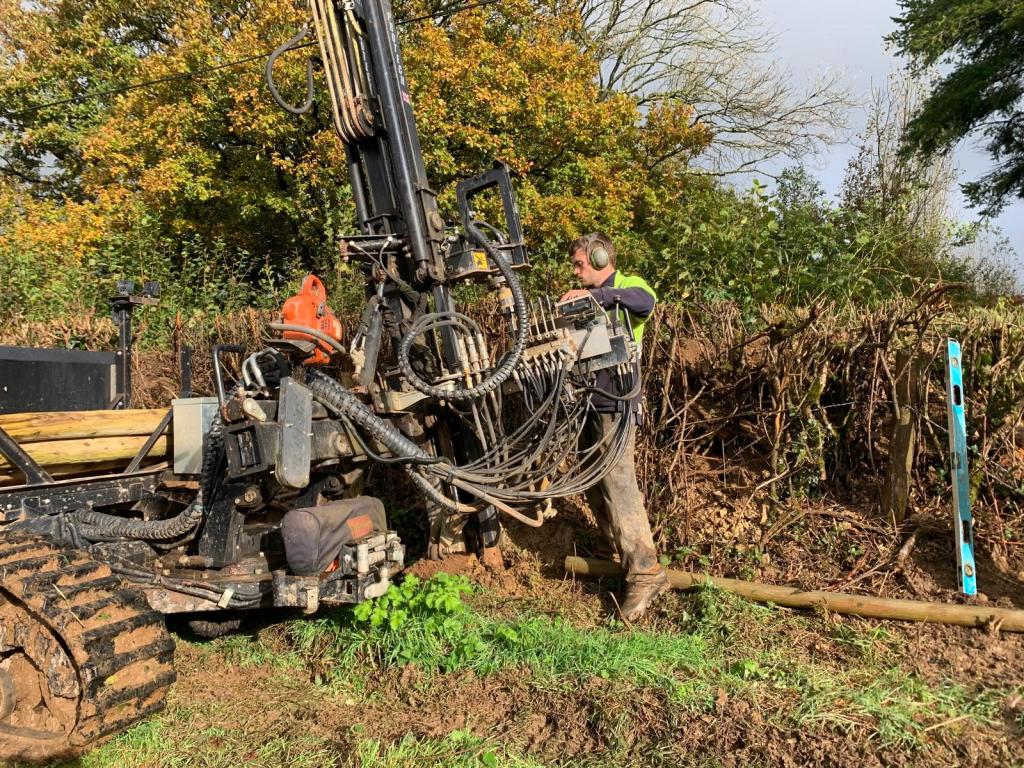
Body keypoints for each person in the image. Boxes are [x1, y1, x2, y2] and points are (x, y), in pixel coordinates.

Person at [560, 232, 670, 621]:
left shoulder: (626, 286)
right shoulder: (581, 299)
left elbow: (646, 302)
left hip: (617, 404)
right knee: (596, 485)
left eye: (580, 264)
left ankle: (645, 572)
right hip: (589, 404)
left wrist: (599, 297)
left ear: (600, 257)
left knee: (619, 484)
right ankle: (622, 560)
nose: (576, 272)